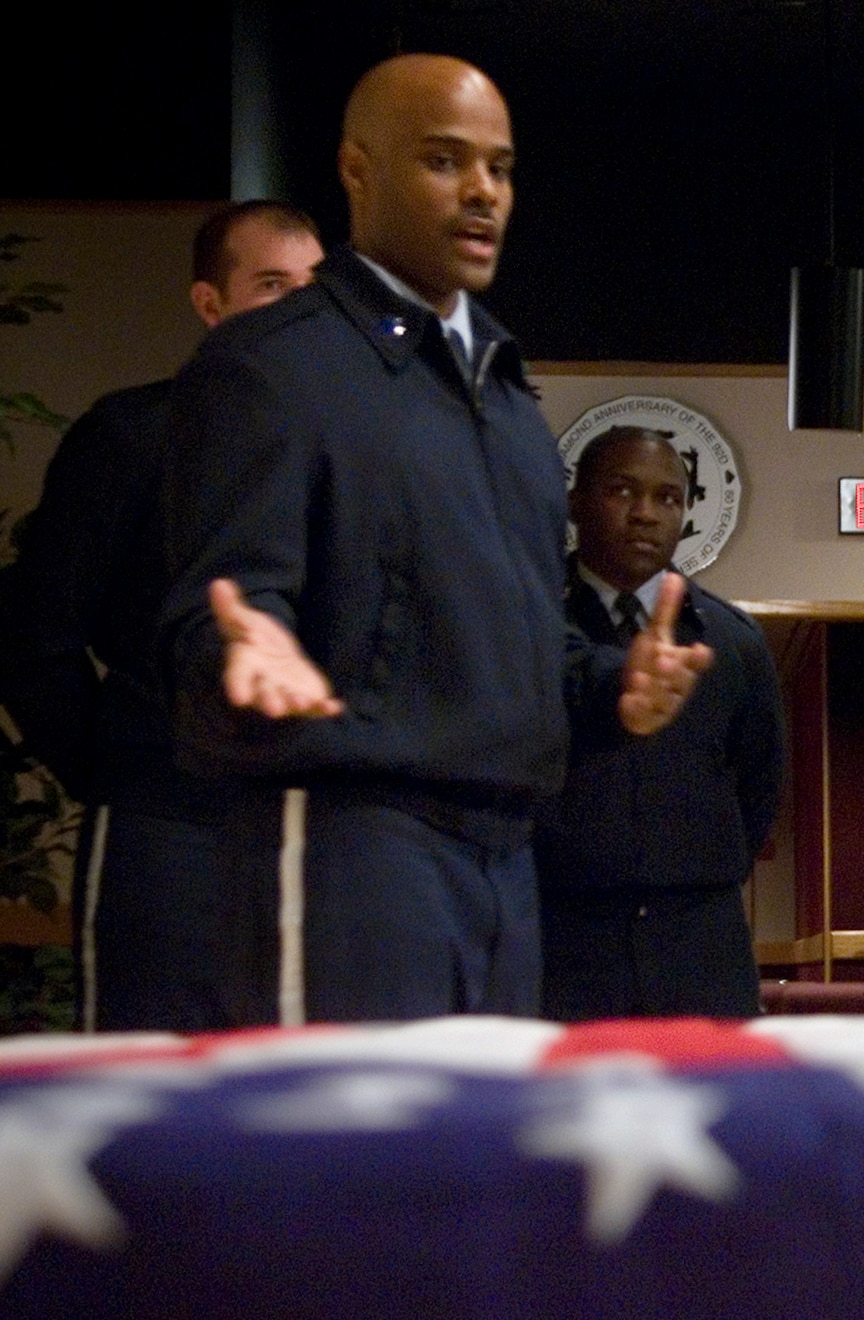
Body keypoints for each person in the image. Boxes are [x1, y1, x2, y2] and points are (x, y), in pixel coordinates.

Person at [157, 55, 709, 1026]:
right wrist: (240, 650)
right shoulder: (269, 368)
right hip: (349, 848)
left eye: (499, 167)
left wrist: (610, 690)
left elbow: (522, 652)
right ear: (357, 172)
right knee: (342, 1168)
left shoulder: (507, 400)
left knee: (473, 1169)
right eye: (445, 161)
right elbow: (216, 623)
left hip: (508, 859)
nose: (482, 192)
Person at [0, 201, 323, 1032]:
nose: (298, 310)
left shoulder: (353, 451)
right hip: (163, 822)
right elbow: (38, 640)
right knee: (149, 1072)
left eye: (313, 289)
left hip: (323, 825)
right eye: (271, 285)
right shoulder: (131, 435)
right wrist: (119, 768)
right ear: (210, 305)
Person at [536, 427, 784, 1019]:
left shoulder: (733, 641)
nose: (645, 514)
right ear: (576, 502)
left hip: (699, 944)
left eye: (668, 498)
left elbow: (758, 790)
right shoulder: (526, 624)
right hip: (557, 939)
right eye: (622, 491)